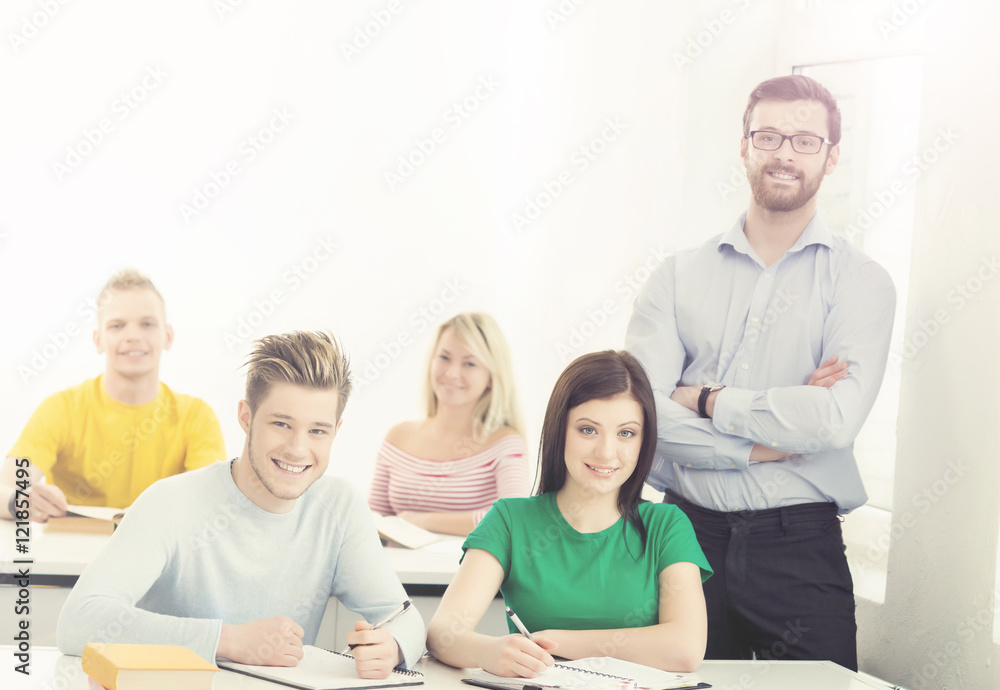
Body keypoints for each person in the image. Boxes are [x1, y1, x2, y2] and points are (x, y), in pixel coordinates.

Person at [625, 75, 896, 671]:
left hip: (799, 546)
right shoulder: (675, 278)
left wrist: (705, 398)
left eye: (804, 141)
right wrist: (761, 447)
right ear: (744, 146)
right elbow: (637, 420)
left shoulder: (860, 282)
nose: (784, 153)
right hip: (682, 537)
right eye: (769, 136)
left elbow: (832, 421)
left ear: (832, 157)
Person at [57, 331, 425, 679]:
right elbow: (79, 621)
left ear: (335, 431)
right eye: (281, 424)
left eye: (317, 431)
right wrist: (227, 641)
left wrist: (391, 645)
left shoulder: (339, 507)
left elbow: (405, 619)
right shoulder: (171, 501)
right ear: (246, 418)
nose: (298, 448)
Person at [427, 350, 712, 677]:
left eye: (626, 433)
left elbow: (685, 648)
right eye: (588, 430)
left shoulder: (667, 526)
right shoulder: (509, 520)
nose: (606, 452)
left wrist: (560, 642)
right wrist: (489, 650)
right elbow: (443, 634)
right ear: (560, 429)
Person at [2, 269, 225, 521]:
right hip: (72, 558)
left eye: (147, 324)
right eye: (117, 325)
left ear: (167, 336)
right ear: (98, 340)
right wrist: (18, 501)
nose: (132, 336)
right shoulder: (60, 409)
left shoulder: (197, 417)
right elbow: (6, 487)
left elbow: (213, 505)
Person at [368, 312, 529, 536]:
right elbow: (372, 524)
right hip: (395, 571)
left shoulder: (505, 443)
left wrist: (426, 521)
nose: (452, 373)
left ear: (492, 377)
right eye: (444, 357)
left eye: (470, 363)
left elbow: (515, 519)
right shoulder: (397, 437)